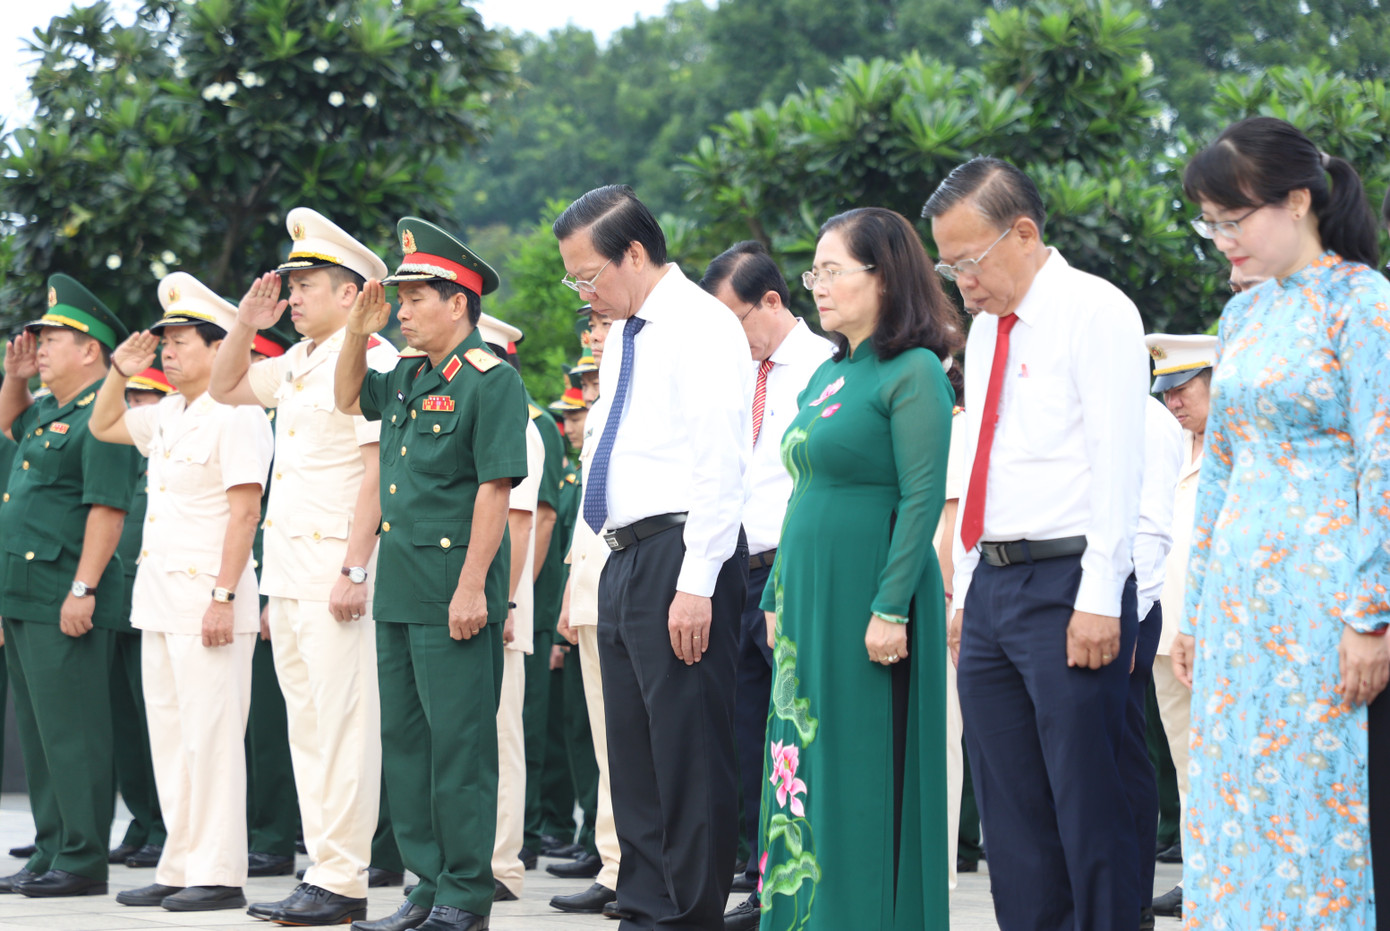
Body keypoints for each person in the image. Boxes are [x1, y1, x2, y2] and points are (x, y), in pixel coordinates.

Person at [1170, 116, 1390, 928]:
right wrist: (1193, 610)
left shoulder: (1362, 303)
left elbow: (1386, 462)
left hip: (1323, 604)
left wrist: (1372, 614)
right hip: (1237, 604)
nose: (1222, 238)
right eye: (1211, 222)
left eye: (1235, 218)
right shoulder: (1243, 317)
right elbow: (1218, 468)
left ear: (1297, 200)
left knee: (1319, 796)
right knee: (1233, 796)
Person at [926, 156, 1149, 930]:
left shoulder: (1097, 310)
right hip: (993, 586)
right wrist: (963, 587)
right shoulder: (987, 331)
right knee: (1009, 811)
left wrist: (1099, 596)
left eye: (970, 260)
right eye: (947, 265)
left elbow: (1118, 462)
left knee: (1090, 800)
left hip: (1069, 582)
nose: (962, 281)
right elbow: (983, 458)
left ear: (1023, 232)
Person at [552, 184, 750, 930]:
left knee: (687, 751)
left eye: (588, 275)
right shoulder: (632, 334)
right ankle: (642, 905)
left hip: (680, 551)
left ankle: (688, 914)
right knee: (630, 754)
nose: (585, 293)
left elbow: (719, 465)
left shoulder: (699, 326)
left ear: (634, 252)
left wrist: (697, 583)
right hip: (622, 555)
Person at [756, 207, 960, 929]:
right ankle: (806, 911)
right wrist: (777, 590)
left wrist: (891, 606)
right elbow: (803, 490)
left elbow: (921, 497)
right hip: (809, 598)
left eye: (833, 269)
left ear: (885, 274)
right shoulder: (828, 376)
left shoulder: (914, 373)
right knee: (803, 759)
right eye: (814, 271)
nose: (819, 285)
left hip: (872, 596)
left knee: (860, 765)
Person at [335, 217, 529, 931]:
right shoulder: (409, 376)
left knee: (460, 748)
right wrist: (357, 331)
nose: (404, 310)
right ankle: (425, 884)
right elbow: (348, 396)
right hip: (401, 587)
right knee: (409, 748)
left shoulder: (492, 380)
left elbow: (494, 489)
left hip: (455, 589)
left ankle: (466, 894)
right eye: (401, 296)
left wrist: (476, 586)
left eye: (417, 296)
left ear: (460, 301)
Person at [209, 207, 396, 925]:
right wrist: (242, 321)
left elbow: (375, 474)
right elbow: (227, 387)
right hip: (288, 573)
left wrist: (354, 568)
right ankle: (324, 867)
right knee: (308, 728)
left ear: (351, 293)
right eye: (289, 283)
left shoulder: (369, 360)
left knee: (344, 726)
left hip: (334, 572)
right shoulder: (297, 360)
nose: (292, 296)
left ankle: (343, 877)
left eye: (307, 283)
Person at [89, 272, 274, 912]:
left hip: (209, 602)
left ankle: (219, 872)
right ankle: (179, 863)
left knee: (212, 738)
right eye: (164, 341)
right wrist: (119, 369)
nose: (168, 352)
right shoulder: (167, 412)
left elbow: (245, 513)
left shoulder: (240, 413)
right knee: (169, 735)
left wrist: (224, 597)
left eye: (182, 341)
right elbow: (103, 423)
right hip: (160, 599)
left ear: (221, 347)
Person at [697, 239, 833, 931]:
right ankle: (760, 875)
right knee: (745, 729)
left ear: (773, 301)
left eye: (736, 321)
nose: (730, 340)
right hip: (738, 569)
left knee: (797, 727)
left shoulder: (824, 367)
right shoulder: (734, 374)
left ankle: (803, 875)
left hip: (795, 569)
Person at [0, 274, 138, 898]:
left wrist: (83, 589)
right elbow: (9, 429)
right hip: (25, 590)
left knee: (75, 730)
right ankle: (51, 848)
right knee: (39, 731)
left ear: (91, 350)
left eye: (54, 336)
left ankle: (82, 859)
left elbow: (107, 510)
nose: (41, 345)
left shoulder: (104, 419)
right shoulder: (52, 413)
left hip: (66, 591)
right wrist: (16, 379)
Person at [1141, 333, 1217, 921]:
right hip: (1168, 635)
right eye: (1165, 391)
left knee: (1217, 760)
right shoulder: (1174, 446)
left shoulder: (1236, 449)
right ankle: (1200, 876)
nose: (1173, 402)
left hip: (1215, 633)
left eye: (1185, 388)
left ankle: (1220, 877)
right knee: (1186, 762)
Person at [547, 354, 624, 919]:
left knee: (628, 740)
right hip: (595, 583)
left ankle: (634, 863)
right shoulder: (598, 417)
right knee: (605, 741)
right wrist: (574, 592)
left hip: (633, 582)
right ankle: (615, 862)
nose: (589, 388)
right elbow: (583, 520)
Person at [478, 314, 547, 901]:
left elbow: (519, 523)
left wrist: (503, 601)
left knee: (501, 734)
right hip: (475, 601)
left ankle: (501, 864)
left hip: (500, 604)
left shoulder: (519, 429)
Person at [108, 365, 174, 872]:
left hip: (162, 602)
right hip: (122, 602)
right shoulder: (120, 454)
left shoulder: (167, 452)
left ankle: (164, 827)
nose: (137, 407)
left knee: (162, 724)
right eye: (131, 397)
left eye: (148, 397)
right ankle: (141, 818)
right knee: (127, 726)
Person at [1125, 396, 1182, 930]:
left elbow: (1151, 531)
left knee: (1124, 751)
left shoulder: (1151, 421)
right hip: (1070, 603)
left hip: (1129, 605)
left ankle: (1133, 898)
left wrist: (1129, 621)